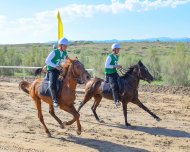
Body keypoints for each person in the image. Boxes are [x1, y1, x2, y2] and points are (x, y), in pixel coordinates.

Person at [45, 37, 69, 108]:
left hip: (59, 69)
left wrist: (64, 66)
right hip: (52, 70)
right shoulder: (54, 52)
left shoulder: (65, 52)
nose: (66, 47)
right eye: (65, 46)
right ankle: (55, 100)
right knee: (52, 84)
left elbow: (64, 61)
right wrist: (56, 66)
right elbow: (47, 61)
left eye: (66, 46)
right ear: (60, 45)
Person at [105, 43, 122, 107]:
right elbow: (106, 66)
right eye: (118, 49)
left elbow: (115, 65)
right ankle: (116, 101)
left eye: (119, 49)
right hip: (109, 74)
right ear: (114, 49)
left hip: (114, 73)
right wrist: (115, 66)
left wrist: (118, 66)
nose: (119, 50)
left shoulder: (117, 56)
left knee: (121, 81)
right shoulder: (110, 56)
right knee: (114, 86)